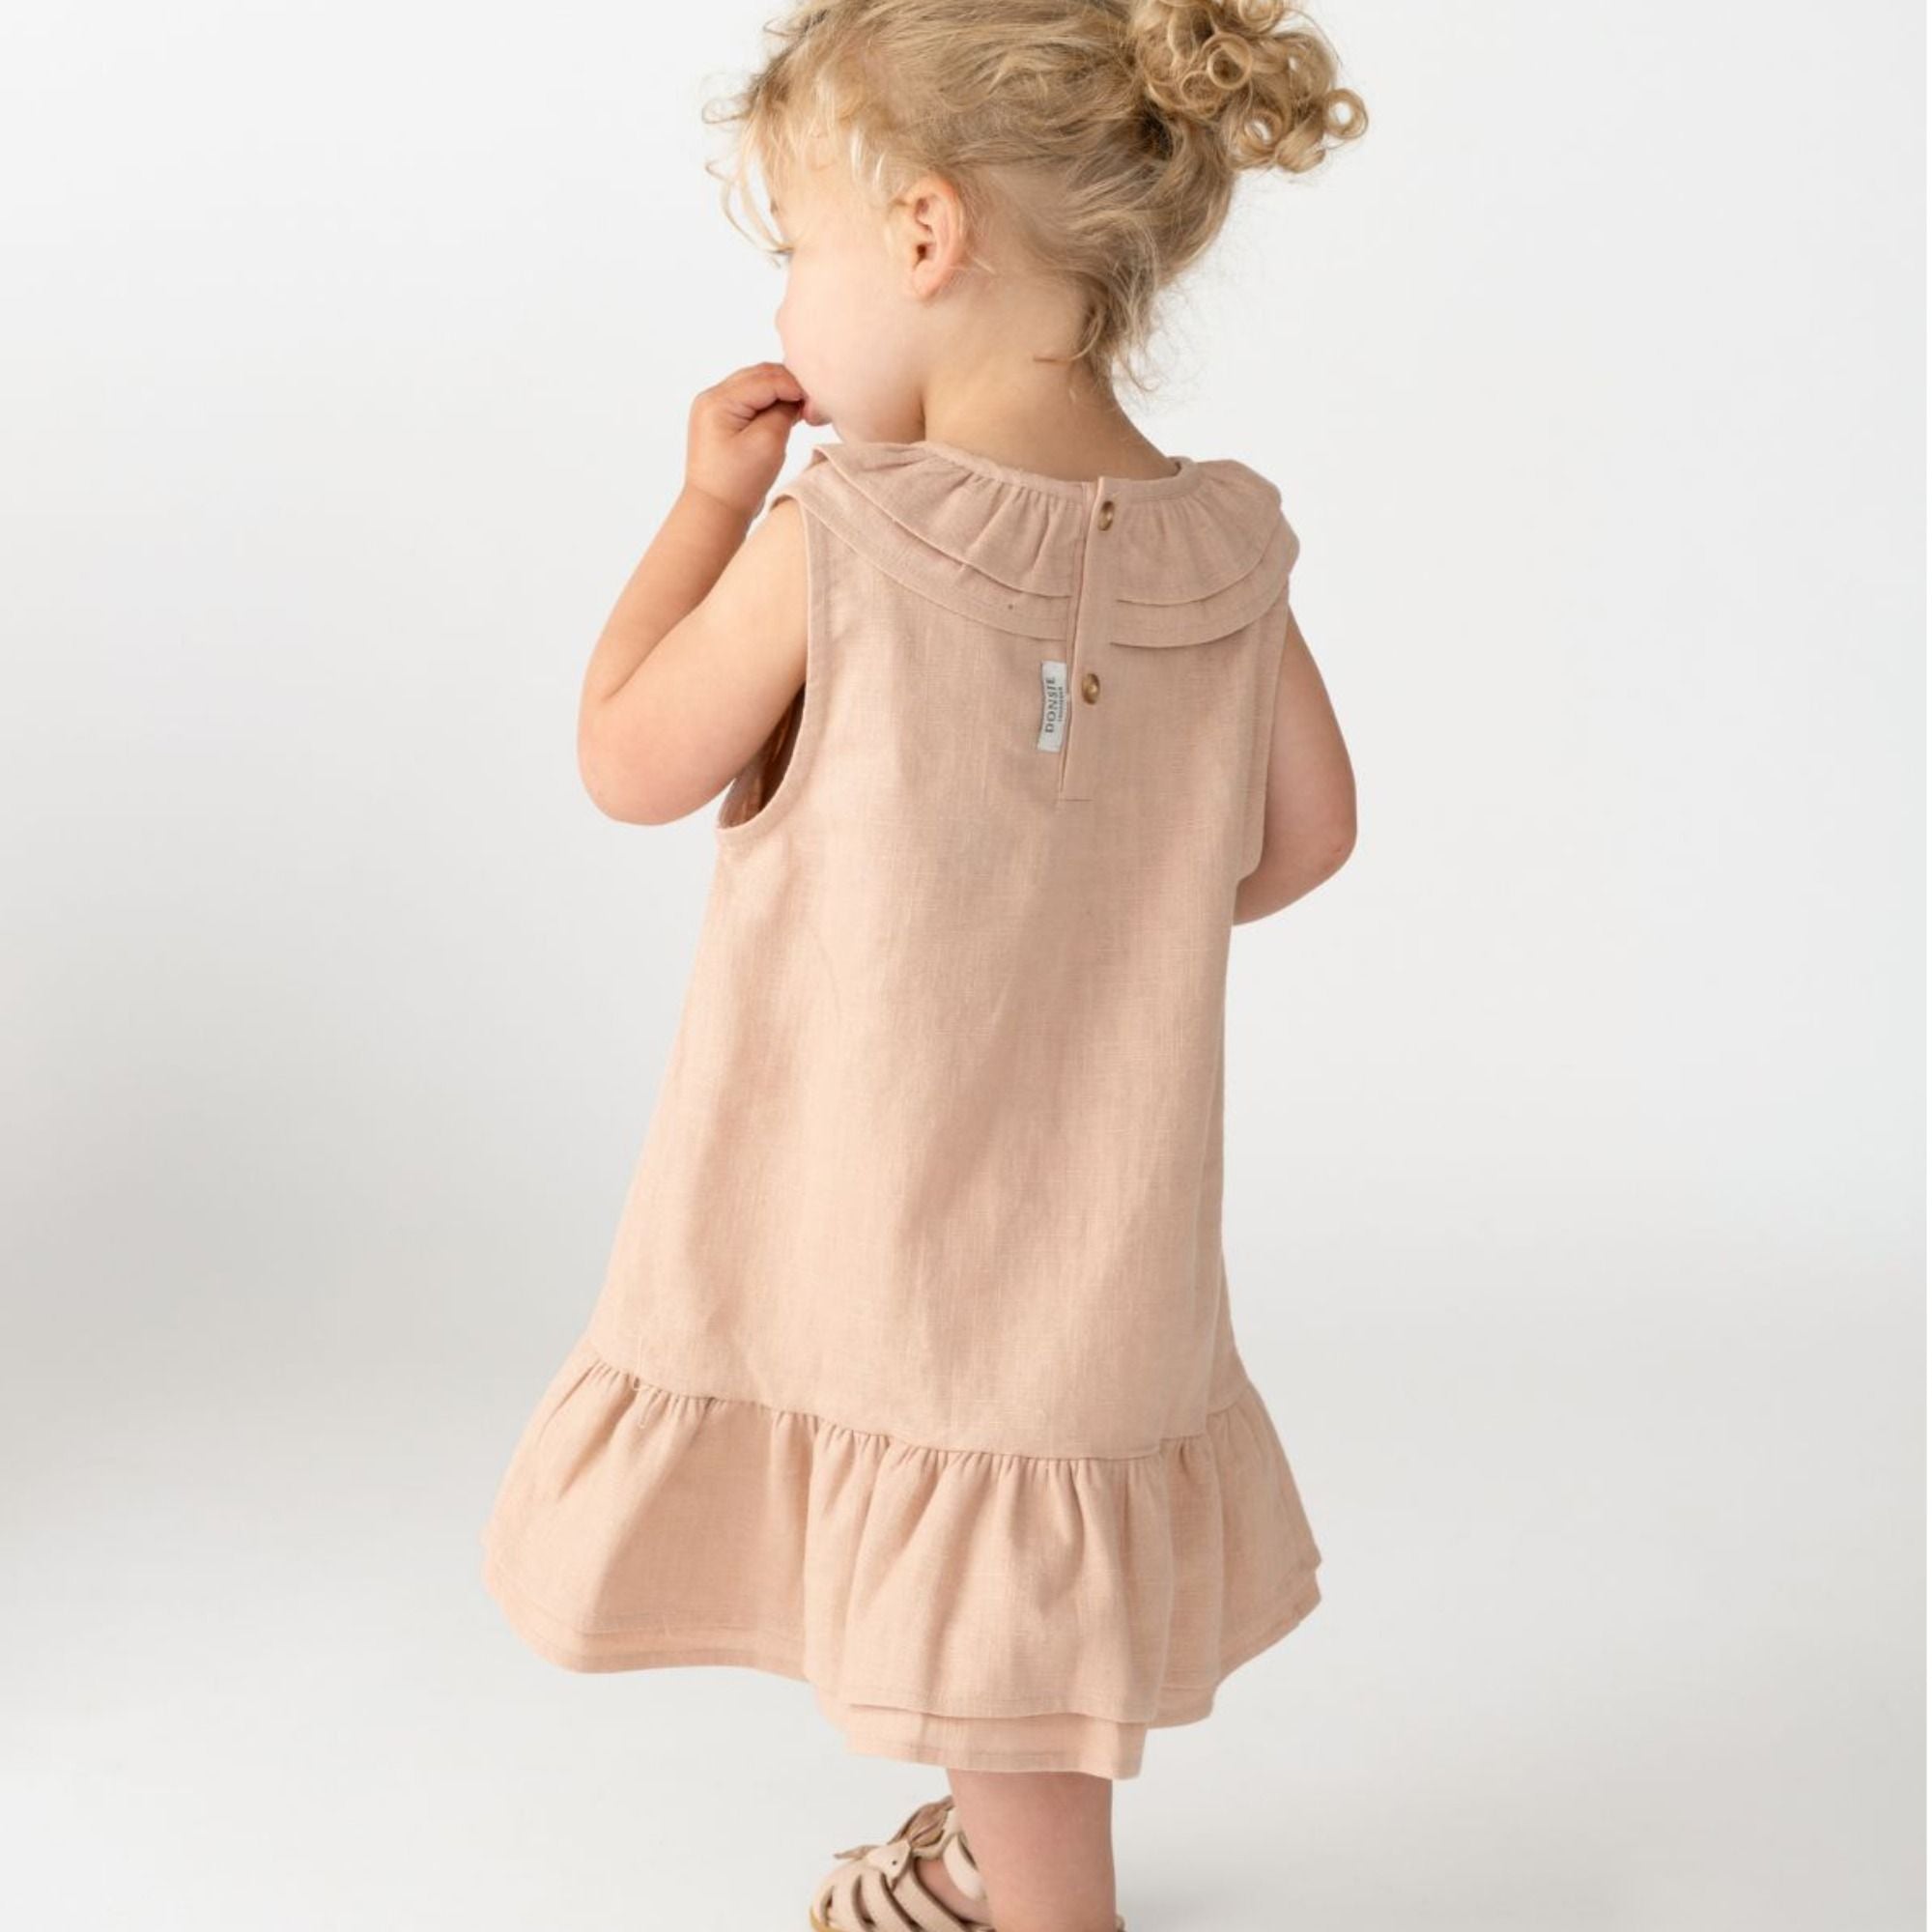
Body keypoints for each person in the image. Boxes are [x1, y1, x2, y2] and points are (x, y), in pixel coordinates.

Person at [479, 3, 1365, 1927]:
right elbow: (1310, 833)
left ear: (925, 234)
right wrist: (1106, 928)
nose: (787, 309)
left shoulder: (843, 535)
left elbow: (629, 757)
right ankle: (987, 1864)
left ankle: (1040, 1911)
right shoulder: (1227, 547)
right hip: (1104, 1220)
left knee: (983, 1585)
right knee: (1018, 1568)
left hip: (879, 1210)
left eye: (797, 250)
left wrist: (707, 503)